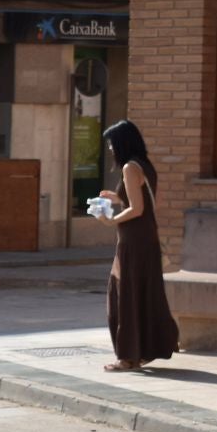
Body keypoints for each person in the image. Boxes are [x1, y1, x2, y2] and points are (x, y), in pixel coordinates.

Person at [90, 120, 180, 372]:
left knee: (124, 294)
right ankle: (143, 350)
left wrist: (110, 221)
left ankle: (128, 357)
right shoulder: (145, 165)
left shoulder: (130, 167)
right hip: (146, 237)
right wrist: (117, 196)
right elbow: (143, 202)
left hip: (133, 239)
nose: (110, 148)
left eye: (112, 144)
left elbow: (137, 209)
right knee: (142, 292)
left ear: (122, 143)